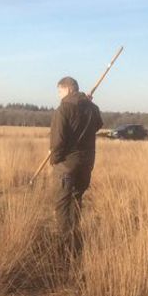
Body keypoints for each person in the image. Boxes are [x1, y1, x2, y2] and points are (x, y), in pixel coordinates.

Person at [49, 76, 103, 252]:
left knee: (62, 204)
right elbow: (98, 125)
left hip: (67, 165)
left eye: (59, 91)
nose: (59, 95)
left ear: (68, 89)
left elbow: (57, 141)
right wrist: (88, 105)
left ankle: (66, 247)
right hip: (87, 163)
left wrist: (54, 160)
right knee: (76, 199)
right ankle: (74, 237)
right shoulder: (92, 108)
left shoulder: (63, 109)